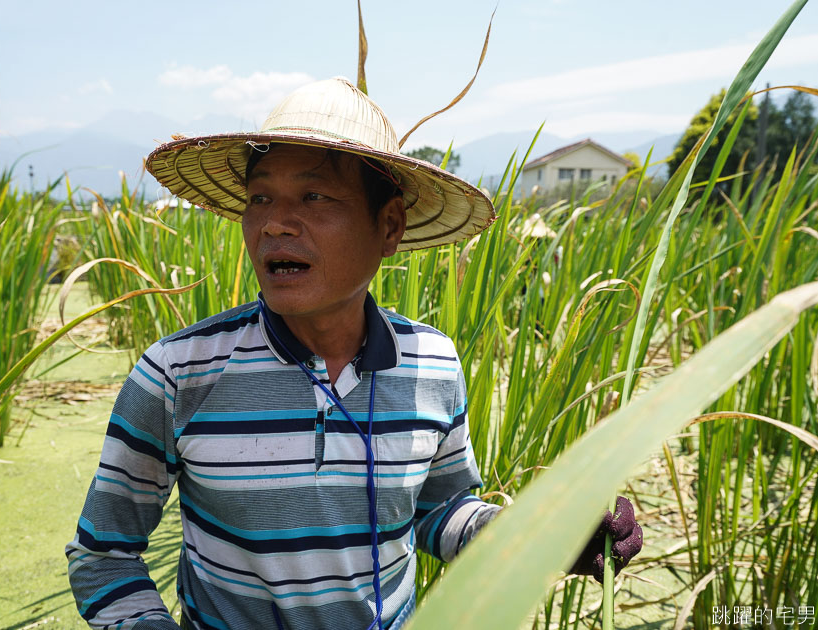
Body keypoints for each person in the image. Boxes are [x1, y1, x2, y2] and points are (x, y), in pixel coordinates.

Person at [66, 77, 642, 630]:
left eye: (314, 196)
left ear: (388, 227)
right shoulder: (178, 374)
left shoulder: (432, 366)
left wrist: (550, 535)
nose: (273, 224)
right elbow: (104, 555)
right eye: (260, 197)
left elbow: (438, 513)